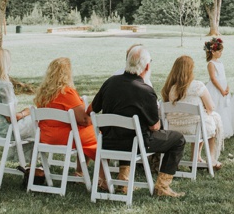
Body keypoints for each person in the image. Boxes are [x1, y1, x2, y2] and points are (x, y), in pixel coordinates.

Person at [88, 45, 187, 198]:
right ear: (147, 66)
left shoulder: (110, 83)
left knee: (126, 133)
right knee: (178, 139)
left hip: (108, 142)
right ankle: (162, 186)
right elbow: (155, 126)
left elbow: (91, 110)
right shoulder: (145, 90)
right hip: (136, 144)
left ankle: (124, 180)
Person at [161, 55, 224, 170]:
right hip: (194, 128)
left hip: (174, 128)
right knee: (211, 118)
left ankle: (197, 157)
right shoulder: (198, 86)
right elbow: (210, 108)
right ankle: (211, 159)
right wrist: (206, 109)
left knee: (199, 119)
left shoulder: (171, 89)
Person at [34, 57, 98, 162]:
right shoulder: (66, 92)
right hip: (65, 137)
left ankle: (81, 171)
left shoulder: (43, 93)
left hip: (45, 136)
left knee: (86, 134)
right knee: (98, 134)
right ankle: (99, 172)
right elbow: (84, 120)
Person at [0, 47, 33, 140]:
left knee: (32, 127)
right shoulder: (4, 86)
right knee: (37, 122)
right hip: (6, 132)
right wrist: (26, 112)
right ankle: (26, 154)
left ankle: (18, 154)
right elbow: (10, 117)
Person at [205, 37, 233, 139]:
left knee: (224, 107)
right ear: (213, 51)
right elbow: (213, 78)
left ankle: (224, 128)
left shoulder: (220, 63)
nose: (221, 53)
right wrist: (221, 90)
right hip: (216, 89)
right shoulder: (211, 64)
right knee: (217, 107)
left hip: (223, 87)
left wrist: (226, 87)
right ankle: (214, 129)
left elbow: (223, 76)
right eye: (219, 51)